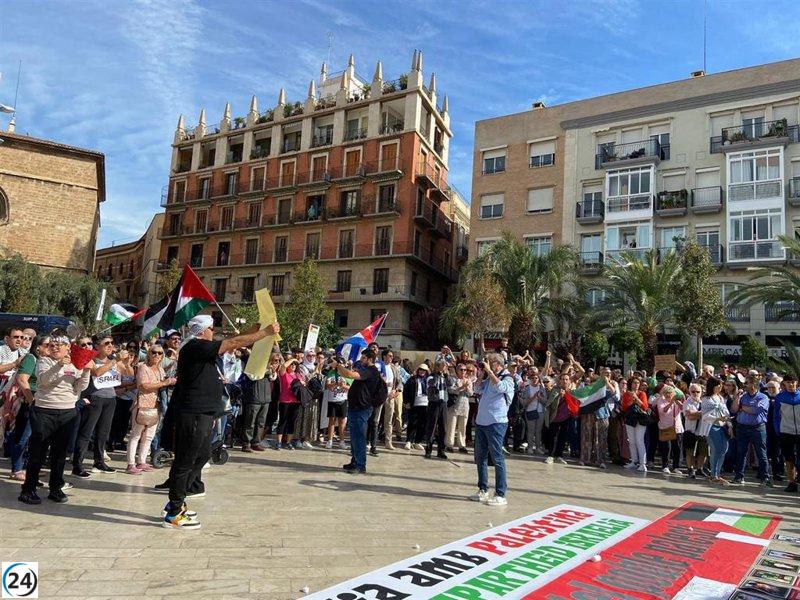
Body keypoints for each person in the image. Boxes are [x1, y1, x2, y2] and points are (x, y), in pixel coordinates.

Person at [162, 315, 280, 529]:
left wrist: (253, 329)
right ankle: (174, 510)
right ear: (202, 330)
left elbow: (231, 340)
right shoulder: (195, 346)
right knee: (186, 459)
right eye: (211, 328)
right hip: (194, 412)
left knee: (204, 454)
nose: (213, 332)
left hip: (205, 412)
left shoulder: (201, 346)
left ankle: (178, 498)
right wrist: (265, 333)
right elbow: (232, 343)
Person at [19, 333, 94, 505]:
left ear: (68, 347)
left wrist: (86, 370)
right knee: (38, 451)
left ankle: (55, 487)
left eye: (60, 344)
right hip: (45, 411)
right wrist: (59, 365)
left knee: (59, 453)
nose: (55, 347)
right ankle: (28, 489)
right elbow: (44, 381)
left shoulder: (75, 363)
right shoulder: (44, 361)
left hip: (67, 411)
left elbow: (79, 387)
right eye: (52, 345)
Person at [469, 353, 513, 506]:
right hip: (482, 422)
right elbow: (477, 389)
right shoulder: (488, 379)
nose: (487, 364)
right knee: (480, 457)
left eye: (490, 362)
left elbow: (501, 387)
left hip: (496, 423)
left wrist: (490, 372)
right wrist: (482, 373)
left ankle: (500, 493)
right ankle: (483, 489)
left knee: (497, 458)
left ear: (498, 364)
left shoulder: (507, 378)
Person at [72, 335, 120, 477]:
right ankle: (77, 465)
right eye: (107, 343)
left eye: (112, 343)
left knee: (103, 432)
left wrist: (124, 362)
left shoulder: (112, 360)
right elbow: (97, 373)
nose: (110, 345)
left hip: (110, 397)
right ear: (97, 346)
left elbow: (124, 373)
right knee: (86, 432)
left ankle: (99, 461)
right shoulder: (91, 359)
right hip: (94, 398)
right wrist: (113, 362)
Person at [331, 350, 380, 474]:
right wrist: (338, 367)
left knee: (359, 437)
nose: (361, 360)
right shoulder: (364, 369)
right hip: (355, 407)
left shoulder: (371, 371)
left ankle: (360, 465)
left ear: (370, 359)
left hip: (362, 408)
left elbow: (350, 375)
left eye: (363, 358)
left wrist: (337, 365)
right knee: (354, 437)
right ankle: (354, 461)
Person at [127, 344, 174, 474]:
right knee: (136, 434)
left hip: (155, 405)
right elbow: (144, 386)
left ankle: (141, 461)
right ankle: (131, 464)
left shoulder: (160, 370)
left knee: (149, 436)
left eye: (160, 353)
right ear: (148, 353)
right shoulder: (143, 367)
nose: (157, 355)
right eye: (154, 352)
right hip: (142, 404)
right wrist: (165, 383)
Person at [10, 335, 50, 481]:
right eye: (47, 345)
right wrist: (31, 400)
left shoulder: (45, 361)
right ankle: (17, 469)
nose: (50, 348)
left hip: (41, 403)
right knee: (23, 437)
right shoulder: (30, 358)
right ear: (38, 346)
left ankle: (29, 468)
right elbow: (22, 379)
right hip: (30, 402)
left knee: (35, 437)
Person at [731, 374, 772, 487]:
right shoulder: (743, 396)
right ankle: (739, 476)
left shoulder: (763, 397)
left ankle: (765, 478)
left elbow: (756, 410)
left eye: (747, 383)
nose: (745, 385)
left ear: (754, 385)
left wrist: (742, 407)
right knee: (741, 452)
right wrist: (737, 398)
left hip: (757, 428)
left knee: (761, 453)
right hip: (742, 428)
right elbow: (734, 410)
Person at [240, 354, 276, 453]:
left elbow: (273, 378)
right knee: (250, 421)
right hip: (254, 397)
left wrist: (271, 370)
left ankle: (256, 442)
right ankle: (246, 443)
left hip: (266, 397)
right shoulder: (251, 364)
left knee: (261, 422)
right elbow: (252, 377)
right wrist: (265, 370)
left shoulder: (267, 366)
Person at [701, 376, 732, 485]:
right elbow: (704, 416)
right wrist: (717, 418)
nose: (721, 387)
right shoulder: (706, 399)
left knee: (724, 449)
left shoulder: (720, 397)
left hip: (722, 426)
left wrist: (730, 424)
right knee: (716, 450)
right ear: (713, 386)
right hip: (711, 426)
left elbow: (726, 412)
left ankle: (717, 473)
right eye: (718, 385)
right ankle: (713, 474)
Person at [774, 374, 800, 492]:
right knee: (789, 458)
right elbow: (776, 416)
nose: (791, 385)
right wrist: (778, 430)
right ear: (784, 384)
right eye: (788, 382)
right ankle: (792, 482)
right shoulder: (780, 397)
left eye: (793, 382)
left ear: (797, 383)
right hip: (786, 431)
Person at [545, 373, 576, 465]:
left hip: (567, 417)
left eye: (566, 379)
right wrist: (559, 397)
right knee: (552, 437)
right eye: (563, 379)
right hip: (555, 418)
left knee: (563, 437)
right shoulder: (554, 390)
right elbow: (550, 404)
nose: (565, 381)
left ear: (569, 381)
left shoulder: (571, 391)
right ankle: (550, 455)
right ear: (559, 381)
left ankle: (559, 455)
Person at [424, 360, 451, 459]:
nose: (444, 368)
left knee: (443, 427)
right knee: (432, 427)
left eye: (445, 366)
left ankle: (441, 450)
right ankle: (429, 449)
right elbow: (432, 383)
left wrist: (446, 374)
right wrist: (437, 374)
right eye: (443, 366)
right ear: (437, 367)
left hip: (443, 403)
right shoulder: (431, 376)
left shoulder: (445, 376)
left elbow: (450, 384)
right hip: (434, 403)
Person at [621, 377, 649, 472]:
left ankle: (643, 463)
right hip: (630, 419)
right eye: (634, 383)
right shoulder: (626, 394)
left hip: (640, 420)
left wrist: (636, 398)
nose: (636, 384)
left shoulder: (642, 394)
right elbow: (624, 408)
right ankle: (634, 461)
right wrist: (631, 401)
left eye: (637, 383)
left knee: (639, 441)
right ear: (630, 384)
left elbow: (645, 407)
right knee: (632, 441)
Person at [654, 385, 683, 475]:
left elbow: (683, 408)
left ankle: (676, 467)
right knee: (666, 448)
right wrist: (670, 403)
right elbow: (663, 411)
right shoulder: (660, 401)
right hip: (665, 428)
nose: (668, 395)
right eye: (666, 393)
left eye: (670, 393)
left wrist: (676, 401)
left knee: (677, 448)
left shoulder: (676, 401)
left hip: (677, 428)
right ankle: (665, 466)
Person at [275, 358, 302, 450]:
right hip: (285, 401)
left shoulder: (298, 375)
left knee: (292, 422)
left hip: (295, 402)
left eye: (295, 364)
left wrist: (303, 383)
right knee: (283, 421)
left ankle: (288, 442)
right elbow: (283, 366)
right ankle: (279, 442)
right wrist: (294, 359)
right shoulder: (284, 374)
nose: (293, 365)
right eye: (292, 364)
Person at [682, 383, 707, 479]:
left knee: (703, 452)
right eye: (693, 391)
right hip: (691, 430)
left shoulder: (704, 403)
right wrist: (701, 414)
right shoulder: (687, 402)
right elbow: (689, 416)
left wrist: (695, 413)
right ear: (689, 391)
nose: (695, 393)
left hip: (702, 431)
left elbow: (705, 415)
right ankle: (690, 469)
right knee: (690, 452)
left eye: (698, 391)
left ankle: (700, 469)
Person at [445, 363, 471, 454]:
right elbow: (451, 390)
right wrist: (461, 387)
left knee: (463, 427)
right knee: (451, 426)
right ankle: (449, 444)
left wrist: (467, 388)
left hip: (465, 405)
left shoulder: (468, 380)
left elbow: (471, 393)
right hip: (454, 405)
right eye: (461, 369)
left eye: (465, 370)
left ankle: (461, 445)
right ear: (457, 370)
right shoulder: (453, 379)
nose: (463, 371)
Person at [323, 361, 349, 450]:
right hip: (332, 400)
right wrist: (335, 384)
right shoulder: (331, 373)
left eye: (342, 364)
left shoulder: (346, 373)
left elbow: (351, 387)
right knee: (332, 421)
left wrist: (344, 386)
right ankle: (329, 441)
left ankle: (342, 441)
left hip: (343, 400)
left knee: (342, 422)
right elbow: (327, 385)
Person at [403, 364, 430, 450]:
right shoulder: (412, 379)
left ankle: (417, 441)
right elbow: (406, 390)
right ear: (418, 370)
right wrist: (406, 402)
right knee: (412, 423)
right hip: (414, 403)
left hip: (425, 404)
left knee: (422, 424)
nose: (422, 372)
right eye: (421, 370)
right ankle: (409, 441)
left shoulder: (428, 380)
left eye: (424, 370)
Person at [382, 350, 403, 450]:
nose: (391, 358)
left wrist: (395, 390)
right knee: (375, 420)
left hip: (390, 397)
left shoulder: (393, 368)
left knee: (389, 420)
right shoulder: (379, 366)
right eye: (389, 356)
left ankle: (388, 442)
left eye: (392, 356)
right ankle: (369, 441)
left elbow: (399, 381)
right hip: (379, 396)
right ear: (384, 356)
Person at [523, 372, 545, 455]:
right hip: (530, 411)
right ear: (530, 379)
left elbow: (545, 401)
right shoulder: (527, 388)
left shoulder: (542, 388)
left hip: (540, 411)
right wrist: (533, 397)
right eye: (532, 378)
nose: (534, 380)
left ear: (539, 379)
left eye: (536, 378)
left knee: (538, 431)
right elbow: (524, 402)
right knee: (531, 431)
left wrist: (539, 398)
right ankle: (530, 447)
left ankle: (538, 447)